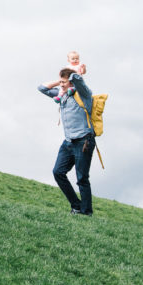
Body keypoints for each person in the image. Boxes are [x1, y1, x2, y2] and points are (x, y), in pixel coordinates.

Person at [39, 68, 96, 215]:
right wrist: (60, 81)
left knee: (82, 178)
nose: (62, 85)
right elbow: (42, 88)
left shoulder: (83, 94)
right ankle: (76, 205)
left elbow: (78, 81)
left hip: (84, 141)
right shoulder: (61, 94)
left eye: (65, 82)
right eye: (61, 82)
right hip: (68, 142)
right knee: (58, 172)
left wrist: (74, 72)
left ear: (71, 82)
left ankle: (86, 211)